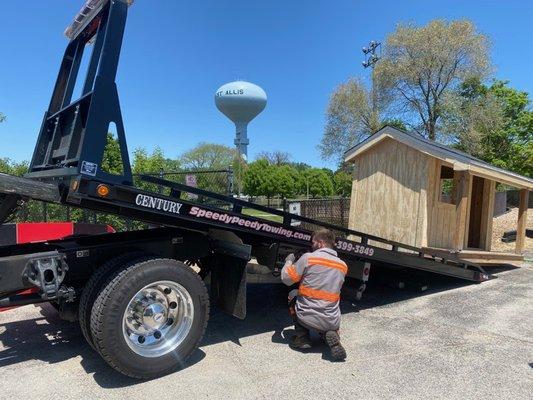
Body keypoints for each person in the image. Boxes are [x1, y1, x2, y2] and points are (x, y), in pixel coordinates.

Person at [281, 228, 347, 360]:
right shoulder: (342, 265)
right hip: (332, 320)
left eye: (313, 243)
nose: (312, 246)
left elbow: (286, 279)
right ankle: (329, 333)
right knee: (328, 305)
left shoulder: (308, 258)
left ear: (321, 243)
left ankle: (302, 338)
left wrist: (289, 261)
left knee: (293, 293)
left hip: (307, 316)